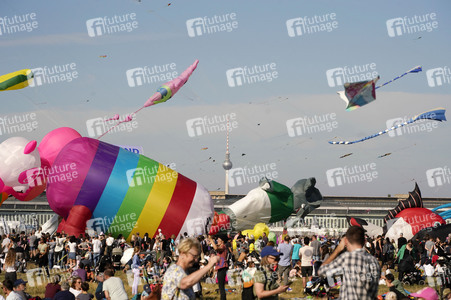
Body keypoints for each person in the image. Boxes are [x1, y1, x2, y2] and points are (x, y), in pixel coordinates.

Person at [318, 226, 381, 300]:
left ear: (346, 241)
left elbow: (321, 271)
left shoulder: (346, 258)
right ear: (364, 241)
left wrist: (338, 249)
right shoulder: (374, 261)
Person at [208, 235, 228, 300]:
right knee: (220, 286)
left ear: (222, 241)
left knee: (221, 287)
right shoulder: (222, 246)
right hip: (220, 267)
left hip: (222, 267)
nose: (217, 241)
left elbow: (216, 248)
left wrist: (211, 240)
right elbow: (215, 247)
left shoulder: (223, 246)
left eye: (218, 240)